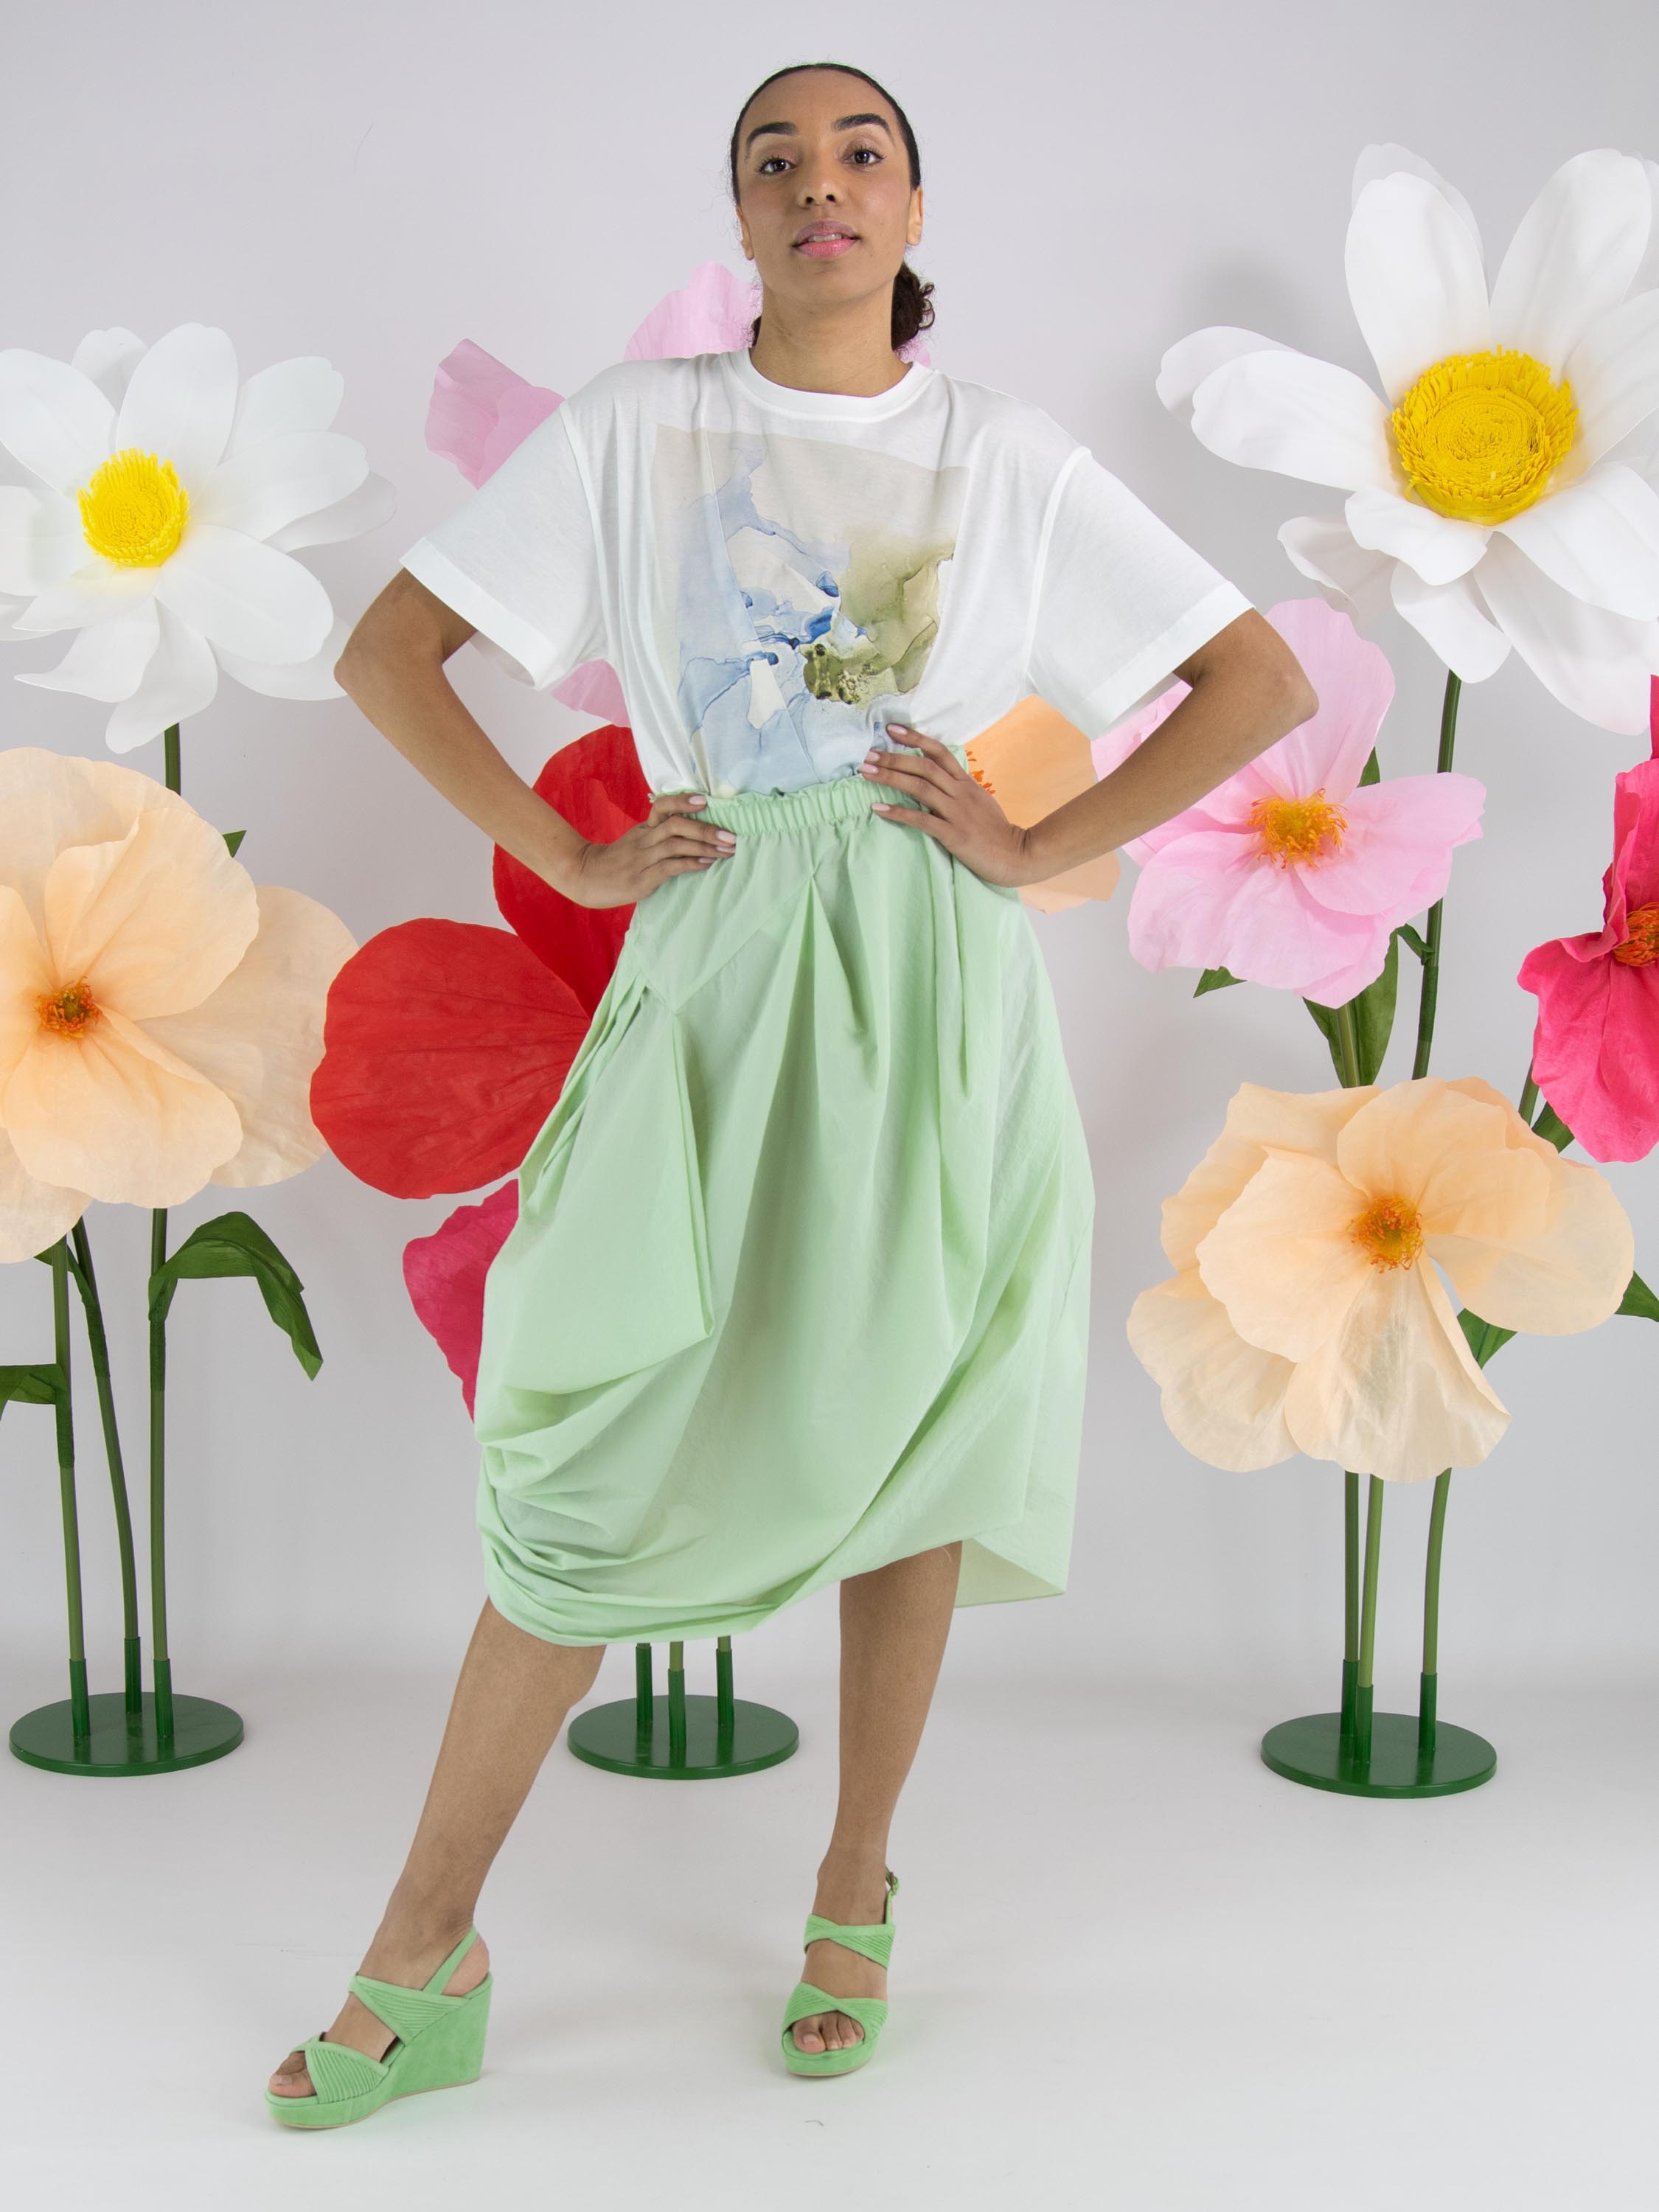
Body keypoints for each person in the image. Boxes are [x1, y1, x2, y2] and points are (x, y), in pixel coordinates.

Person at [266, 58, 1316, 2124]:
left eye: (859, 154)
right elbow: (388, 654)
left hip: (932, 978)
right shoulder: (636, 431)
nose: (818, 184)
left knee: (911, 1420)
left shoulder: (1004, 456)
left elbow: (1257, 683)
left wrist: (1033, 842)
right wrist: (568, 853)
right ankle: (427, 1944)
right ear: (740, 219)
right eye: (776, 160)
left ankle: (853, 1887)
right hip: (720, 954)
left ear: (914, 209)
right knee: (581, 1446)